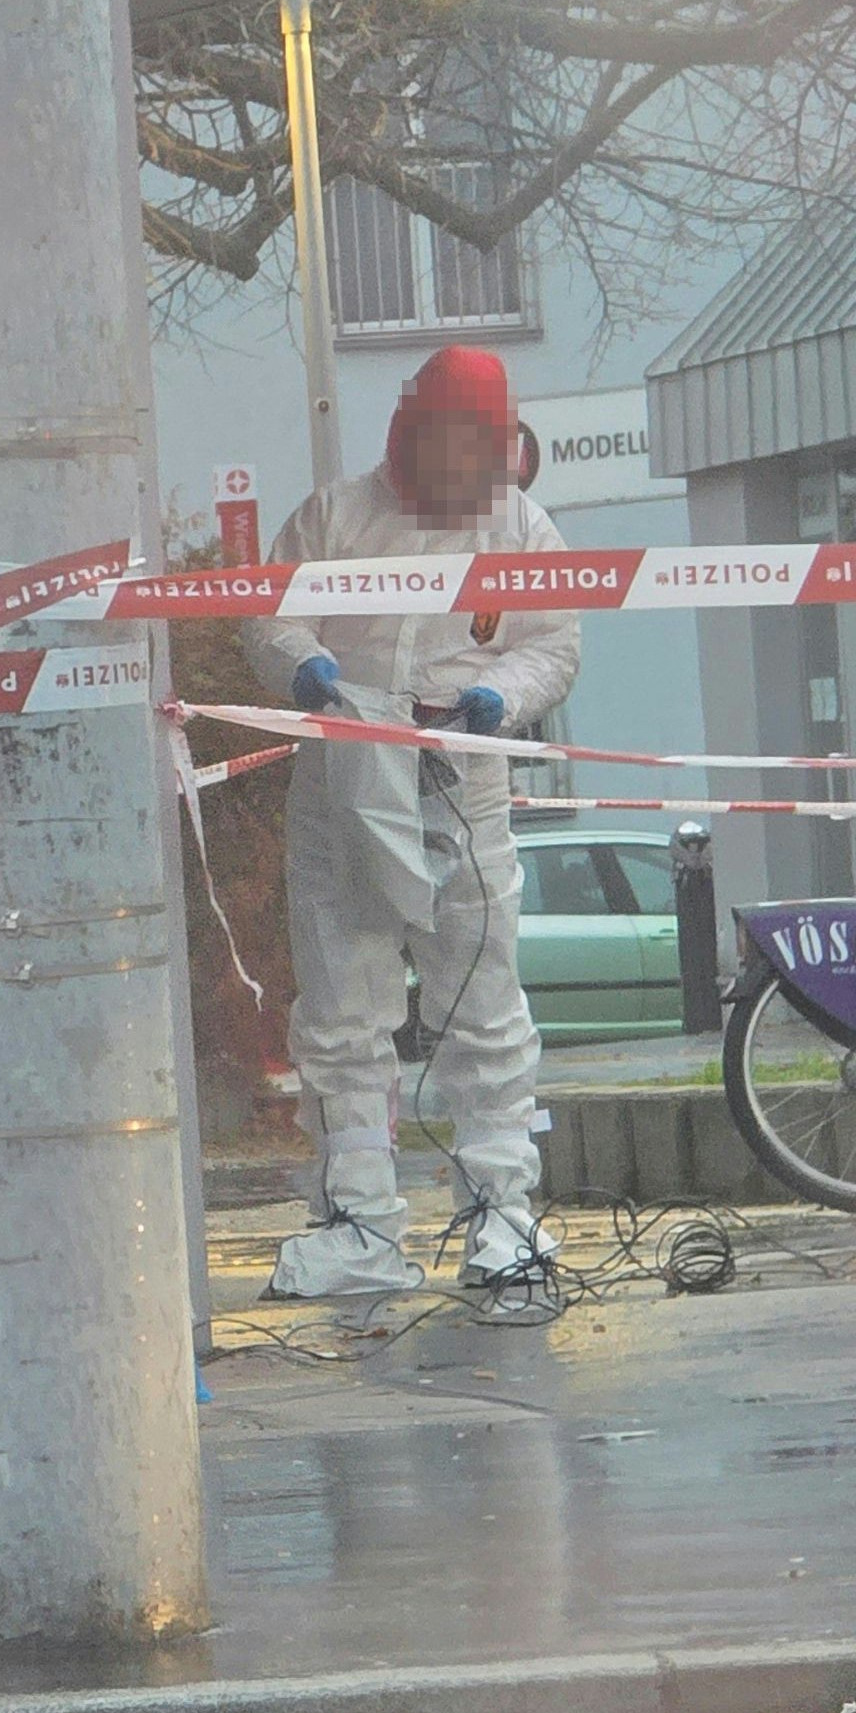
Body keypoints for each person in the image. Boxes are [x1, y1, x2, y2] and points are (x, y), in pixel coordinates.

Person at [242, 345, 581, 1299]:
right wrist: (306, 672)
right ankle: (357, 1224)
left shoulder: (523, 528)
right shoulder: (334, 517)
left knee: (482, 997)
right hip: (345, 775)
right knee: (343, 1005)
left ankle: (502, 1212)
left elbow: (552, 646)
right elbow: (269, 616)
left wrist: (490, 700)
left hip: (461, 779)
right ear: (416, 432)